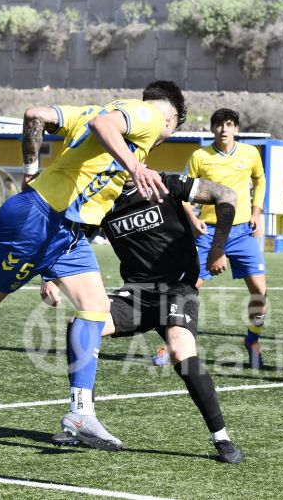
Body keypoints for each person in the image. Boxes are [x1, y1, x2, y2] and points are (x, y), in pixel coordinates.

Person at [0, 80, 186, 450]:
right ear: (173, 119)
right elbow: (103, 127)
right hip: (38, 220)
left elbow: (35, 115)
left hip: (64, 231)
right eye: (169, 133)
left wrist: (31, 167)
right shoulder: (150, 115)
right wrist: (135, 166)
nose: (162, 140)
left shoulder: (92, 110)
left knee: (95, 309)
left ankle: (81, 414)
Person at [46, 173, 243, 462]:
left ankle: (222, 438)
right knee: (82, 324)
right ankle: (81, 416)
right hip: (135, 295)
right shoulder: (101, 202)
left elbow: (227, 194)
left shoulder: (164, 183)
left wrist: (217, 247)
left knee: (179, 351)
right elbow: (68, 238)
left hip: (177, 290)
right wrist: (51, 275)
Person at [183, 108, 268, 369]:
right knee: (189, 289)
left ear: (236, 129)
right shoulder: (199, 156)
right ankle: (174, 342)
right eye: (219, 125)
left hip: (242, 231)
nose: (224, 129)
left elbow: (260, 179)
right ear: (212, 129)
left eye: (229, 124)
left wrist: (256, 211)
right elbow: (183, 192)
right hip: (208, 232)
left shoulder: (250, 153)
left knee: (260, 293)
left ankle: (252, 339)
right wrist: (193, 219)